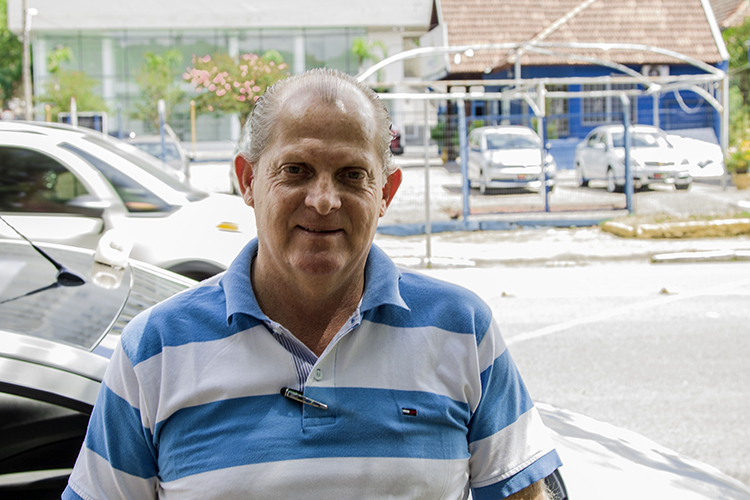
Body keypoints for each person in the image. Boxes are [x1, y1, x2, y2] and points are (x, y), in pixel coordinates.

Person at [63, 68, 561, 500]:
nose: (324, 200)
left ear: (385, 193)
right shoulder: (153, 351)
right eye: (296, 170)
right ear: (247, 181)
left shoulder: (463, 330)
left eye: (351, 175)